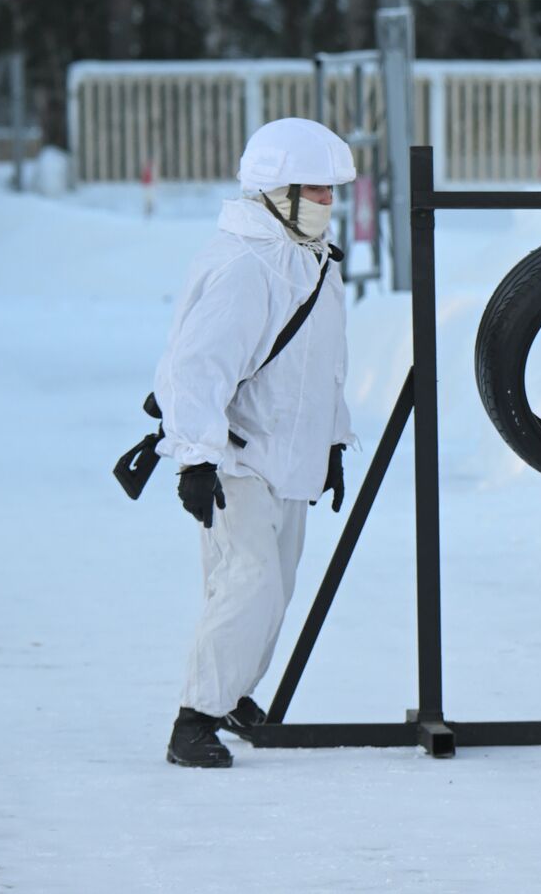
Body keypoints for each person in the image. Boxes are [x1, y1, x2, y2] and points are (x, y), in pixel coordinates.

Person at [153, 117, 356, 768]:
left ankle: (233, 692)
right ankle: (194, 718)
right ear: (278, 192)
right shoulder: (245, 265)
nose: (329, 201)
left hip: (287, 459)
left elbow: (324, 364)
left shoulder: (309, 260)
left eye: (331, 190)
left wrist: (332, 442)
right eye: (317, 190)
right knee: (250, 583)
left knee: (277, 583)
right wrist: (196, 459)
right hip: (236, 457)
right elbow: (197, 367)